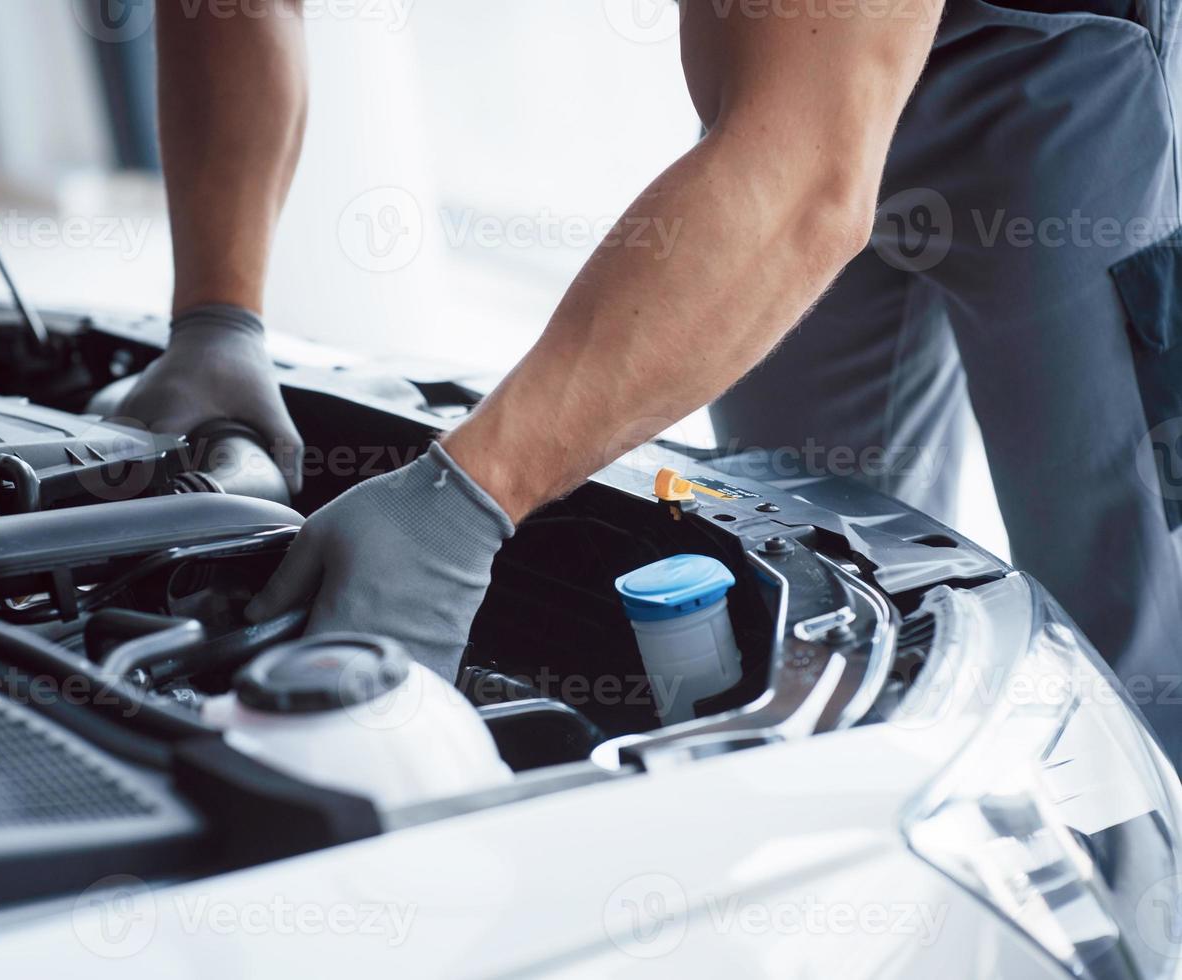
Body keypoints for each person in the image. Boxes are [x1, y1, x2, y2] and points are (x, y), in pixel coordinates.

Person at [123, 0, 1182, 756]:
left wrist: (468, 497)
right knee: (818, 577)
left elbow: (810, 181)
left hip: (1067, 65)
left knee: (1132, 611)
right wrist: (219, 315)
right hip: (785, 71)